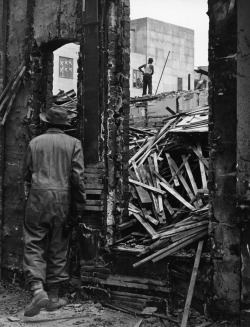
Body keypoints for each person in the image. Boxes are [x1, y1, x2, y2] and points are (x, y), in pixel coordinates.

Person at [22, 106, 86, 317]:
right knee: (59, 244)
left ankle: (38, 290)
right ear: (65, 125)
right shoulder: (73, 143)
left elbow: (26, 174)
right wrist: (79, 205)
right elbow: (77, 178)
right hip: (62, 200)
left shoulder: (34, 142)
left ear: (46, 123)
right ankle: (55, 298)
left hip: (37, 199)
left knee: (34, 243)